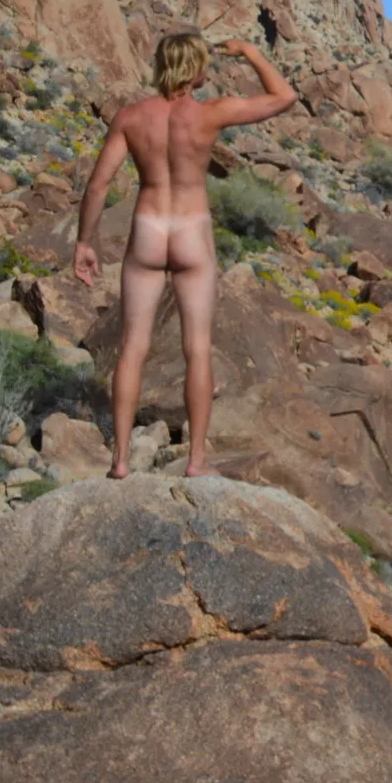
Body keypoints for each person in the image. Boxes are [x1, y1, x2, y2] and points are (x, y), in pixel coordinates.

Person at [73, 31, 298, 478]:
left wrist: (85, 242)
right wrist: (249, 52)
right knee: (197, 348)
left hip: (149, 230)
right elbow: (284, 96)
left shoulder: (132, 117)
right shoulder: (212, 113)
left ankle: (119, 461)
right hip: (192, 231)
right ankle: (196, 460)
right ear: (196, 68)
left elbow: (98, 185)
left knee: (132, 346)